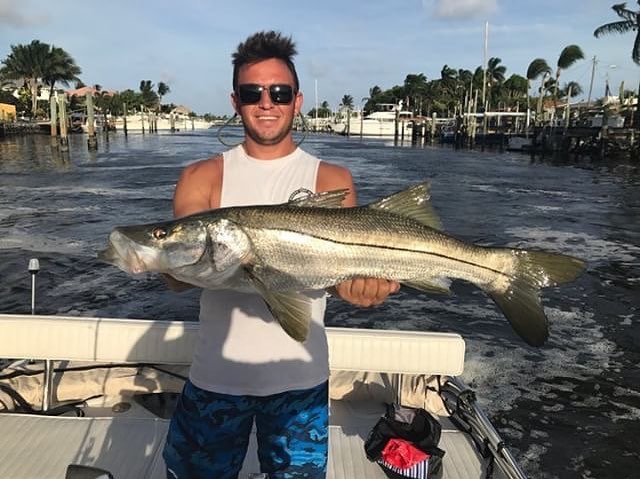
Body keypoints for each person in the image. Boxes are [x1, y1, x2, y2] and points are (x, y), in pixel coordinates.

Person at [162, 30, 400, 479]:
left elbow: (338, 275)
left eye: (279, 92)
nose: (266, 102)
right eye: (253, 93)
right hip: (216, 378)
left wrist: (360, 287)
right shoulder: (201, 177)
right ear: (236, 101)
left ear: (298, 100)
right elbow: (179, 273)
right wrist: (157, 258)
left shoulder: (332, 177)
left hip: (301, 380)